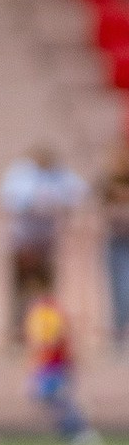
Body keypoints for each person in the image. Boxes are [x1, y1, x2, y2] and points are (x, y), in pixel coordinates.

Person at [0, 144, 87, 345]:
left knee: (46, 292)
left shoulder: (60, 175)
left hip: (46, 243)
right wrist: (35, 202)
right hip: (23, 243)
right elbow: (10, 198)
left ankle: (47, 333)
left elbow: (79, 192)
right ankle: (18, 334)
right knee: (20, 291)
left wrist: (59, 203)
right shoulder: (21, 173)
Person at [22, 271, 102, 445]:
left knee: (55, 397)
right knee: (47, 397)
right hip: (45, 363)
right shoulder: (38, 310)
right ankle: (73, 431)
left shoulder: (50, 310)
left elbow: (54, 338)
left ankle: (81, 431)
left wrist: (65, 358)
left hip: (53, 363)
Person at [95, 134, 129, 349]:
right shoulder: (107, 184)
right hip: (115, 241)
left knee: (126, 289)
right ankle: (117, 336)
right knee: (116, 291)